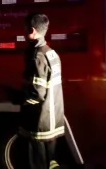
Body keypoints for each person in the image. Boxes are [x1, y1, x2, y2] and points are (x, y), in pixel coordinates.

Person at [20, 12, 65, 169]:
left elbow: (38, 93)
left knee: (38, 164)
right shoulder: (51, 53)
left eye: (25, 29)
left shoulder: (37, 55)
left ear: (32, 31)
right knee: (52, 163)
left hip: (39, 122)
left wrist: (22, 100)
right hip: (53, 120)